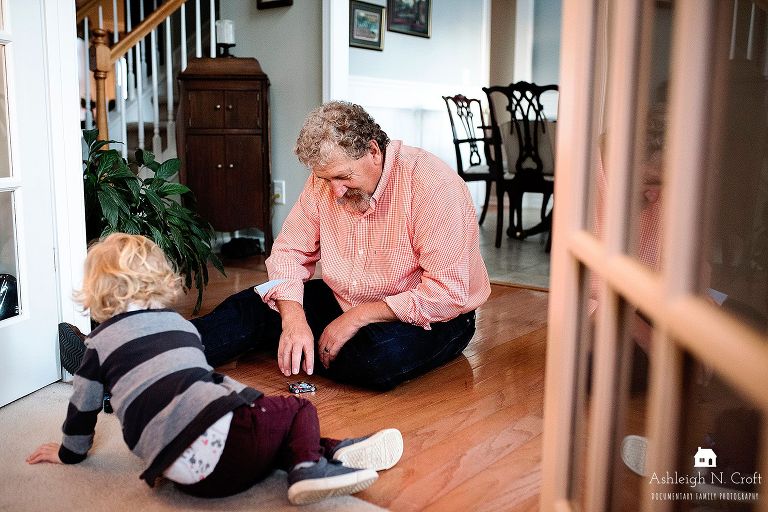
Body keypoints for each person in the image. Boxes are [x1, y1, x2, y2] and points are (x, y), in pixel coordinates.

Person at [27, 233, 404, 505]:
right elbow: (212, 381)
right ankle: (309, 465)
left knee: (261, 435)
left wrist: (68, 454)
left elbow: (82, 410)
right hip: (230, 452)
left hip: (187, 478)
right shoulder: (180, 327)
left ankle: (335, 452)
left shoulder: (97, 347)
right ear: (160, 281)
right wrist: (252, 401)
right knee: (294, 411)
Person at [193, 100, 491, 390]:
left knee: (376, 358)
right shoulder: (324, 182)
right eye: (326, 179)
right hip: (346, 297)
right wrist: (295, 317)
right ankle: (166, 351)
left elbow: (446, 294)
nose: (335, 190)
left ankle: (295, 346)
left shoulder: (433, 185)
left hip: (434, 314)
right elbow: (289, 252)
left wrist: (356, 317)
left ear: (373, 151)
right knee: (248, 306)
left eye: (343, 176)